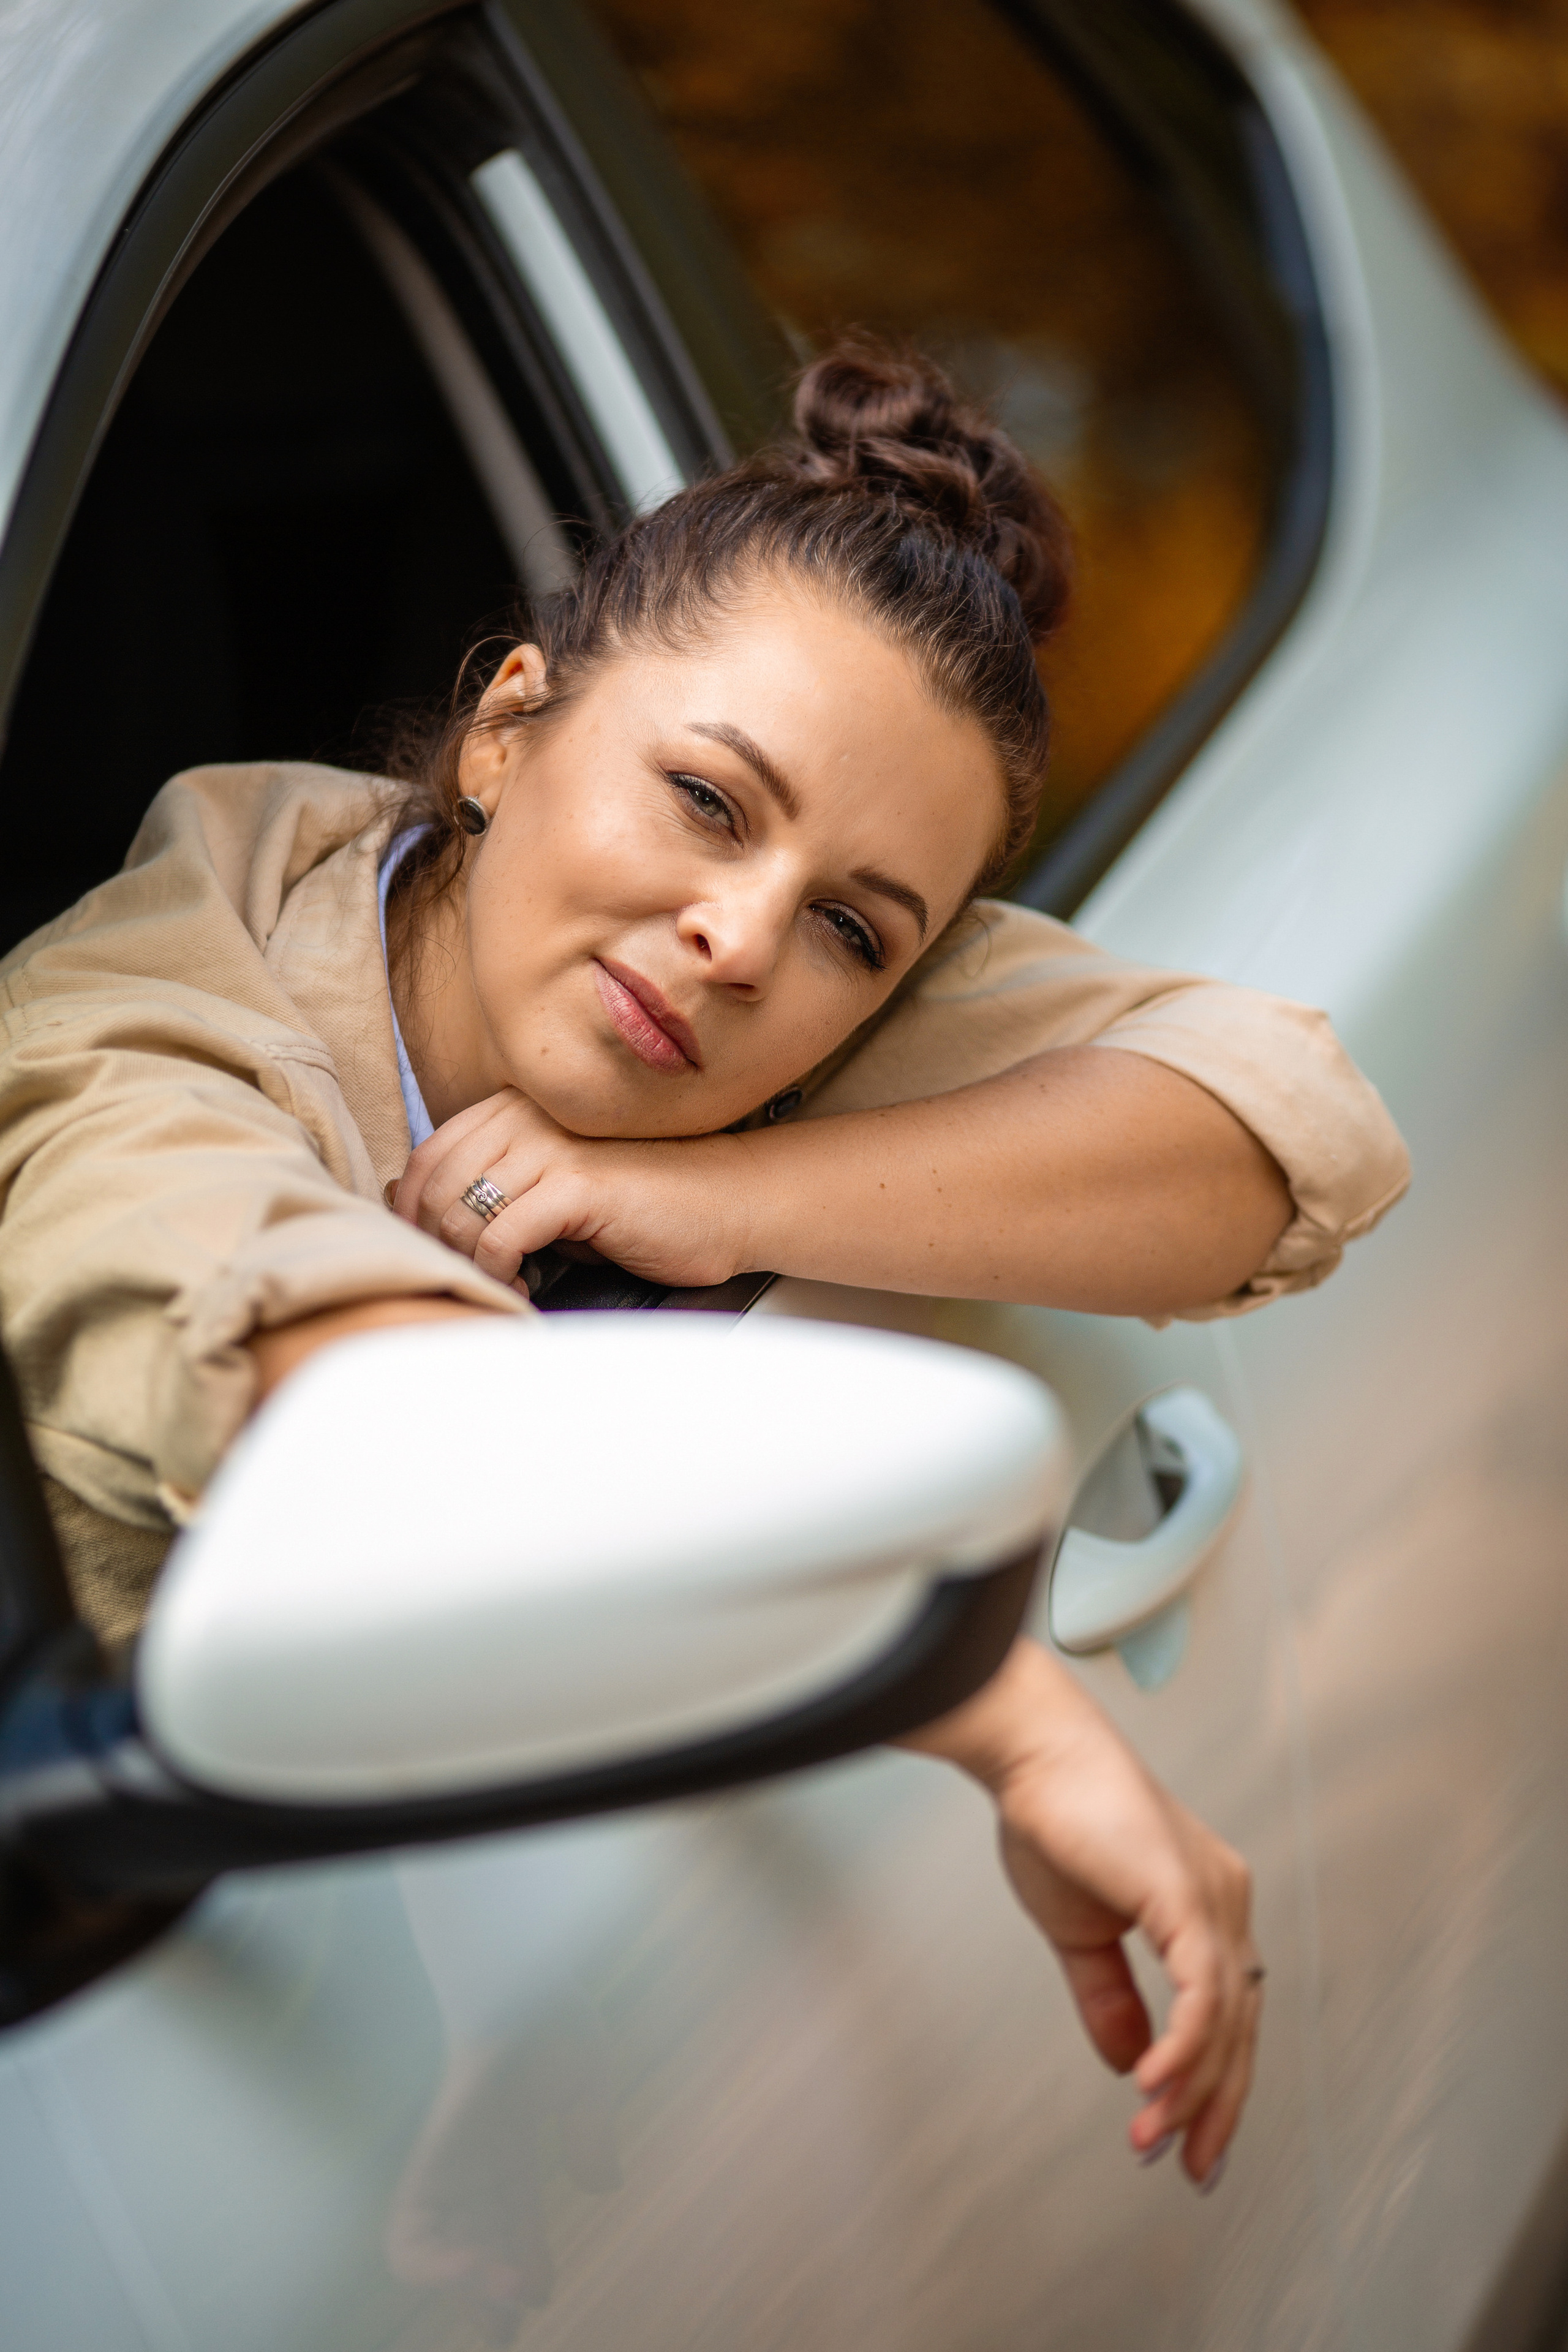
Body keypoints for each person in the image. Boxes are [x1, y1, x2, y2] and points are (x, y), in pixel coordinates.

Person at [0, 343, 1407, 2189]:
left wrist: (727, 1197)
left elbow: (1291, 1124)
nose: (742, 938)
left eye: (854, 931)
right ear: (508, 728)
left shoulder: (725, 999)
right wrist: (1001, 1719)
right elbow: (377, 1419)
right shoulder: (126, 1024)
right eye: (708, 800)